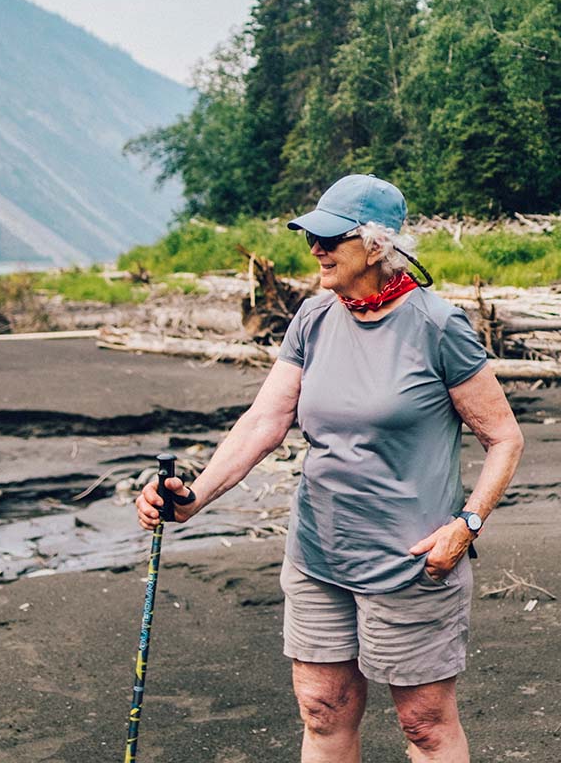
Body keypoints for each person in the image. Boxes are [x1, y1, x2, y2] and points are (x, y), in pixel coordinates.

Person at [137, 174, 524, 762]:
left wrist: (467, 525)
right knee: (322, 709)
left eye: (330, 238)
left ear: (375, 245)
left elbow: (504, 437)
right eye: (310, 236)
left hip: (412, 562)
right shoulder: (314, 317)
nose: (315, 248)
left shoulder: (438, 326)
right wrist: (193, 498)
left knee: (423, 723)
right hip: (318, 554)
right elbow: (265, 421)